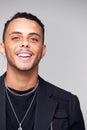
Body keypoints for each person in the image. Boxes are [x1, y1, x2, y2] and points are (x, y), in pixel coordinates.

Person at [0, 12, 85, 130]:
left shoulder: (68, 104)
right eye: (15, 38)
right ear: (3, 48)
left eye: (33, 39)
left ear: (43, 50)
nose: (25, 43)